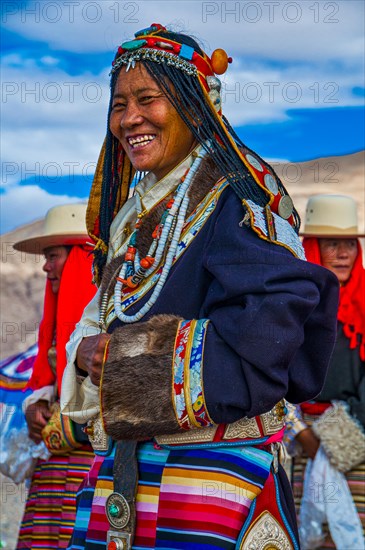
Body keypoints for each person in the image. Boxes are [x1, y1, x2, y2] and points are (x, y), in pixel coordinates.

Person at [61, 24, 338, 549]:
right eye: (119, 104)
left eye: (148, 99)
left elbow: (282, 319)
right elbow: (102, 322)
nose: (129, 119)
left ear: (195, 105)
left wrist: (130, 363)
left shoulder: (235, 197)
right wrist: (85, 357)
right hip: (130, 473)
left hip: (209, 478)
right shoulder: (138, 217)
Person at [13, 204, 97, 549]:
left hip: (91, 468)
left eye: (53, 256)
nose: (46, 266)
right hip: (52, 470)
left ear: (80, 257)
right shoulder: (57, 328)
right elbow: (50, 382)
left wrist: (72, 425)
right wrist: (36, 409)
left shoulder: (117, 316)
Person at [285, 194, 365, 549]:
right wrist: (301, 433)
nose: (345, 253)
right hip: (297, 443)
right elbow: (271, 373)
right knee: (303, 535)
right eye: (333, 244)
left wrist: (335, 441)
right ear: (314, 249)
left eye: (350, 244)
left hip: (358, 444)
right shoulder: (288, 307)